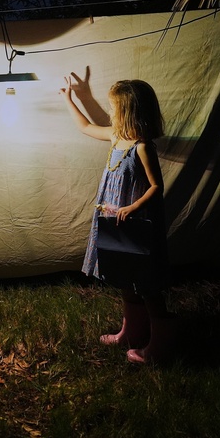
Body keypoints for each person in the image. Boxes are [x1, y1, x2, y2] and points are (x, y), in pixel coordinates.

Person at [61, 71, 176, 364]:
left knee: (147, 283)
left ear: (127, 112)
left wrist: (132, 208)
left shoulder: (142, 147)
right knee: (125, 275)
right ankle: (132, 332)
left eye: (114, 107)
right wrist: (71, 99)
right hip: (116, 220)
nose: (110, 111)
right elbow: (86, 126)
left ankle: (160, 346)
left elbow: (156, 187)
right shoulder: (116, 137)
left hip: (134, 222)